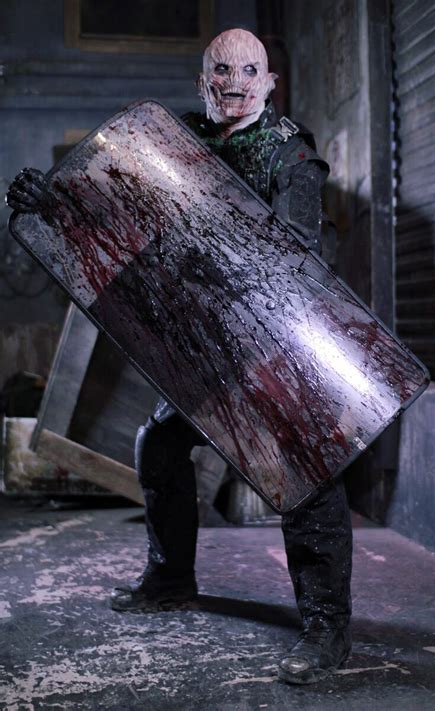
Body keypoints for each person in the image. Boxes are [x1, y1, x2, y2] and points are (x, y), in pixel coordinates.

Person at [6, 28, 353, 685]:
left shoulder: (290, 155)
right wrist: (53, 200)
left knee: (306, 475)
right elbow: (117, 211)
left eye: (249, 71)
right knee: (160, 446)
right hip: (208, 346)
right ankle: (171, 580)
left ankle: (326, 628)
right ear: (203, 79)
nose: (236, 82)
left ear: (268, 83)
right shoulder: (178, 140)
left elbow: (298, 253)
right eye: (222, 70)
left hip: (274, 345)